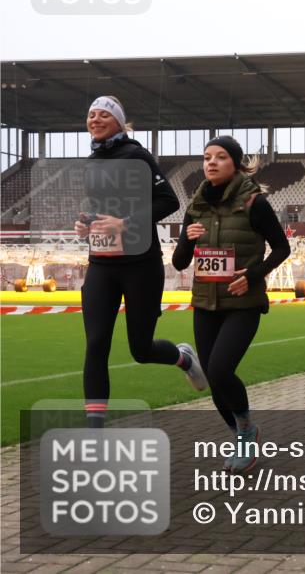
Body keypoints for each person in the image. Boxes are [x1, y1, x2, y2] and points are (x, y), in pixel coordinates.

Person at [74, 95, 206, 429]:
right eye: (91, 114)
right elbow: (101, 209)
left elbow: (169, 201)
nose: (95, 119)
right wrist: (86, 223)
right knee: (96, 342)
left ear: (118, 121)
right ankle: (94, 430)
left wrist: (126, 222)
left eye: (104, 114)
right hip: (101, 263)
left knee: (141, 349)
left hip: (139, 265)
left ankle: (183, 357)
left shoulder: (136, 154)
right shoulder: (92, 161)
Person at [172, 136, 291, 473]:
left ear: (235, 164)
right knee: (213, 377)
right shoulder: (195, 206)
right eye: (206, 157)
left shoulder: (254, 202)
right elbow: (181, 262)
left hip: (243, 302)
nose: (210, 162)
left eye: (220, 157)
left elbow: (282, 248)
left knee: (222, 370)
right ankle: (240, 433)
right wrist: (187, 237)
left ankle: (247, 433)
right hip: (205, 303)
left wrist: (253, 275)